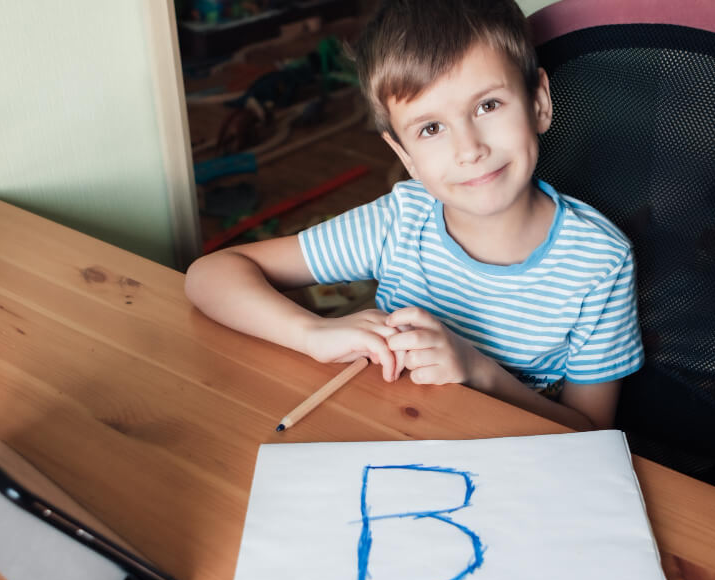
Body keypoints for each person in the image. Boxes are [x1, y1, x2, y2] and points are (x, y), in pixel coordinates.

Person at [184, 0, 643, 431]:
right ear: (403, 153)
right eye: (431, 128)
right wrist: (313, 333)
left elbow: (592, 435)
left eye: (488, 105)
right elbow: (210, 274)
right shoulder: (398, 223)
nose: (469, 149)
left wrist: (478, 371)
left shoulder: (600, 261)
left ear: (539, 102)